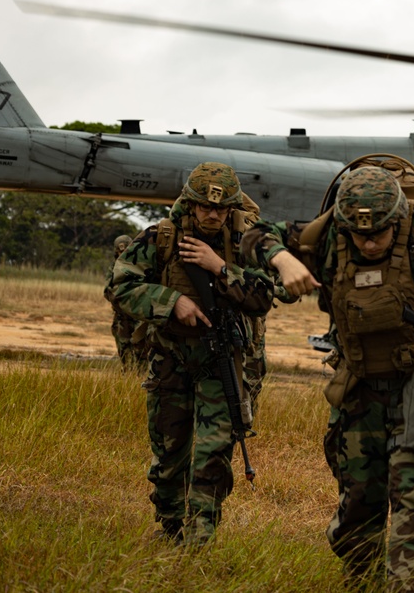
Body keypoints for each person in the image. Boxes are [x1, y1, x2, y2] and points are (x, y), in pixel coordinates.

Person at [242, 164, 414, 590]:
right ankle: (361, 581)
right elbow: (252, 233)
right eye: (359, 234)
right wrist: (282, 259)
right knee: (359, 501)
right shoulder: (327, 237)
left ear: (397, 218)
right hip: (359, 390)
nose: (369, 242)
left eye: (379, 233)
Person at [111, 162, 274, 545]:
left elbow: (265, 296)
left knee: (214, 454)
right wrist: (172, 302)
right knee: (169, 455)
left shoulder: (247, 243)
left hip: (224, 363)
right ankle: (169, 528)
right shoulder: (160, 238)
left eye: (220, 208)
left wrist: (218, 267)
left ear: (232, 207)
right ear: (190, 203)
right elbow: (120, 284)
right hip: (172, 358)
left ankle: (201, 537)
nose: (212, 214)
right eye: (204, 206)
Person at [104, 234, 149, 373]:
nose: (122, 254)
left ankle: (139, 379)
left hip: (139, 315)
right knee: (124, 350)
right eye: (119, 251)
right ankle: (127, 378)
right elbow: (108, 291)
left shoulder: (142, 265)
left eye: (125, 250)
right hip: (122, 316)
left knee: (141, 350)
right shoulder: (114, 268)